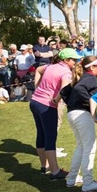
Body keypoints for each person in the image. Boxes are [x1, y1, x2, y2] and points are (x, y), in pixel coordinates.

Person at [30, 48, 81, 180]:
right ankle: (55, 171)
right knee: (50, 137)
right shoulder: (66, 72)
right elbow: (65, 89)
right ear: (66, 60)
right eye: (74, 60)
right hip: (47, 106)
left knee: (41, 134)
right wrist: (56, 100)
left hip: (35, 101)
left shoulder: (50, 66)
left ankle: (44, 166)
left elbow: (37, 70)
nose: (75, 62)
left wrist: (37, 87)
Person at [60, 56, 97, 192]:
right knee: (89, 148)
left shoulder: (82, 77)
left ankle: (72, 179)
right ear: (92, 67)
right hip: (82, 115)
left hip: (72, 114)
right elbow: (79, 89)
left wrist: (72, 103)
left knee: (81, 147)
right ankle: (88, 183)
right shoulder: (90, 78)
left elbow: (64, 92)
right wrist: (91, 101)